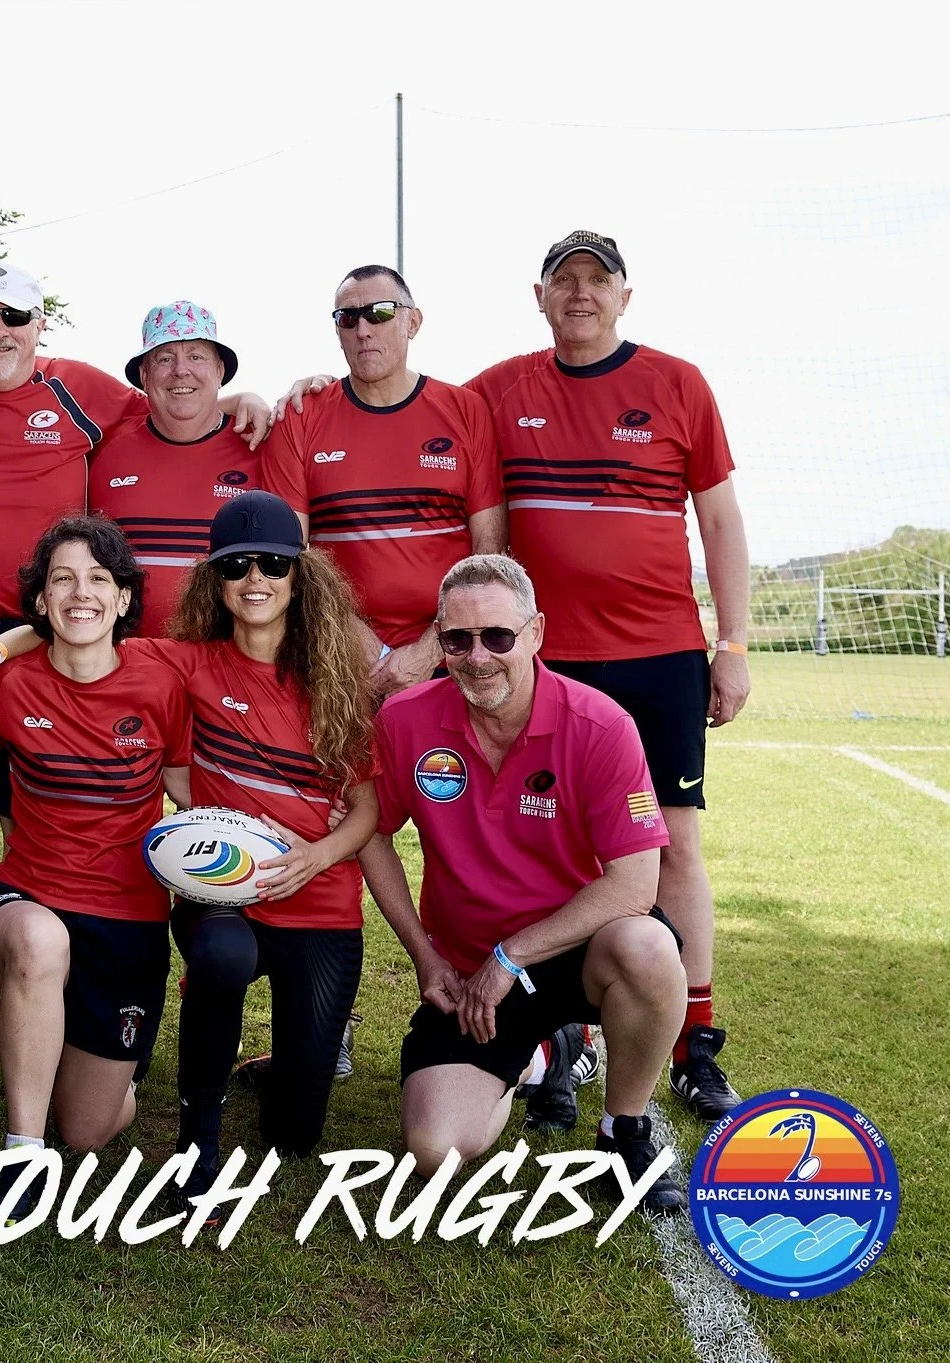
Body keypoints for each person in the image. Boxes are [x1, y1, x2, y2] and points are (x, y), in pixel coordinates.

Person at [0, 493, 377, 1215]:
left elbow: (366, 805)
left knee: (286, 1133)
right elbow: (73, 634)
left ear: (303, 577)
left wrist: (319, 853)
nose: (256, 579)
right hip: (219, 892)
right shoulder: (180, 664)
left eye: (273, 564)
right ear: (217, 581)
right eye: (238, 567)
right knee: (220, 956)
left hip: (314, 899)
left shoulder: (332, 681)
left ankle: (122, 1062)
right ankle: (194, 1140)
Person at [0, 263, 271, 1070]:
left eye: (16, 317)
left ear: (40, 326)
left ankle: (81, 965)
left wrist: (251, 399)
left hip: (69, 623)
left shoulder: (86, 392)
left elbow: (180, 401)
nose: (0, 330)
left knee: (71, 799)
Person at [465, 231, 751, 1123]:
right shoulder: (499, 389)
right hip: (546, 660)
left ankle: (695, 1040)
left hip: (660, 655)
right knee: (559, 847)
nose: (580, 294)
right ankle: (564, 1034)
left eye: (597, 280)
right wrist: (293, 393)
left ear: (626, 294)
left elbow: (719, 518)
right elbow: (406, 410)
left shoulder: (677, 383)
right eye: (564, 281)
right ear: (539, 297)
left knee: (671, 845)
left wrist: (732, 642)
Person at [361, 554, 688, 1213]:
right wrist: (425, 954)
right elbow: (369, 832)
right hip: (471, 970)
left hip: (574, 951)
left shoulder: (601, 725)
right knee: (434, 1149)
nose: (477, 656)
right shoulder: (405, 721)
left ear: (536, 632)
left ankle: (622, 1127)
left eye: (498, 637)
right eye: (457, 639)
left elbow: (635, 885)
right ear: (440, 639)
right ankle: (543, 1053)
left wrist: (513, 955)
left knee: (649, 949)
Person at [0, 515, 191, 1224]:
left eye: (98, 580)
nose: (81, 593)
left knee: (86, 1129)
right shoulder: (11, 685)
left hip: (128, 919)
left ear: (122, 599)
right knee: (39, 942)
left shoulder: (163, 680)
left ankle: (94, 1062)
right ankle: (20, 1155)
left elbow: (192, 793)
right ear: (42, 603)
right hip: (27, 901)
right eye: (62, 579)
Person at [264, 265, 505, 694]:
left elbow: (487, 551)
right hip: (341, 658)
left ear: (413, 321)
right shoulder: (302, 418)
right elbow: (293, 554)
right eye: (348, 317)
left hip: (452, 656)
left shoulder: (466, 410)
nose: (363, 330)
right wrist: (373, 655)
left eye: (379, 313)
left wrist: (432, 651)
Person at [87, 301, 263, 636]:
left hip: (226, 667)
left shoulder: (259, 445)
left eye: (196, 356)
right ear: (144, 374)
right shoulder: (105, 450)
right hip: (130, 665)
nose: (181, 370)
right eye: (165, 358)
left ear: (220, 371)